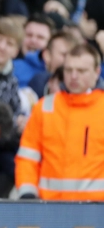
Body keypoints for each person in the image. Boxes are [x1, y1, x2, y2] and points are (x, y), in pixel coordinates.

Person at [16, 44, 104, 200]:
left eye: (81, 71)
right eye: (68, 70)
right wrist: (27, 193)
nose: (73, 76)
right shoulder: (45, 107)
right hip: (50, 207)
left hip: (98, 210)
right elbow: (28, 157)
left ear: (97, 72)